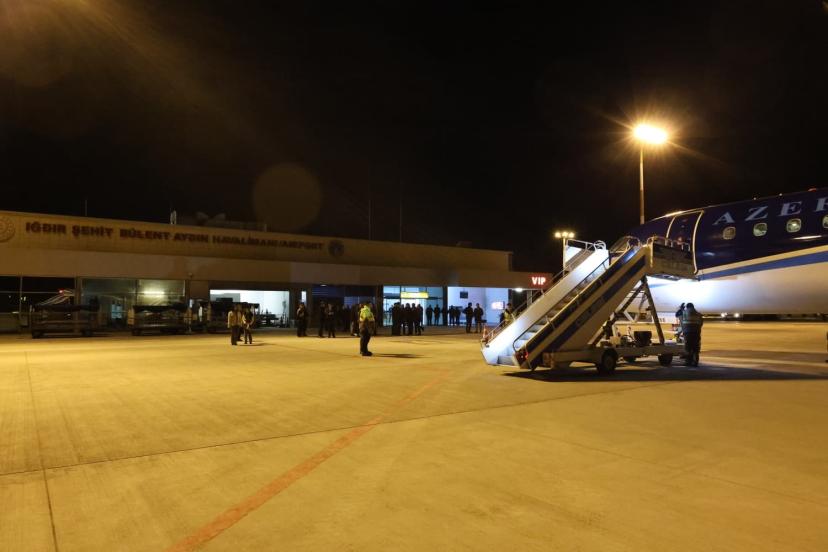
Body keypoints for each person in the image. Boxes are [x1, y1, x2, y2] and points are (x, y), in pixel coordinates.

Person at [681, 302, 703, 366]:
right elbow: (701, 323)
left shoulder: (684, 313)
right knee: (695, 347)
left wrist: (681, 308)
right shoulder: (699, 314)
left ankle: (688, 362)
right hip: (696, 333)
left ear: (687, 307)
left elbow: (678, 314)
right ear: (693, 307)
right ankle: (695, 362)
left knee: (688, 348)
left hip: (687, 333)